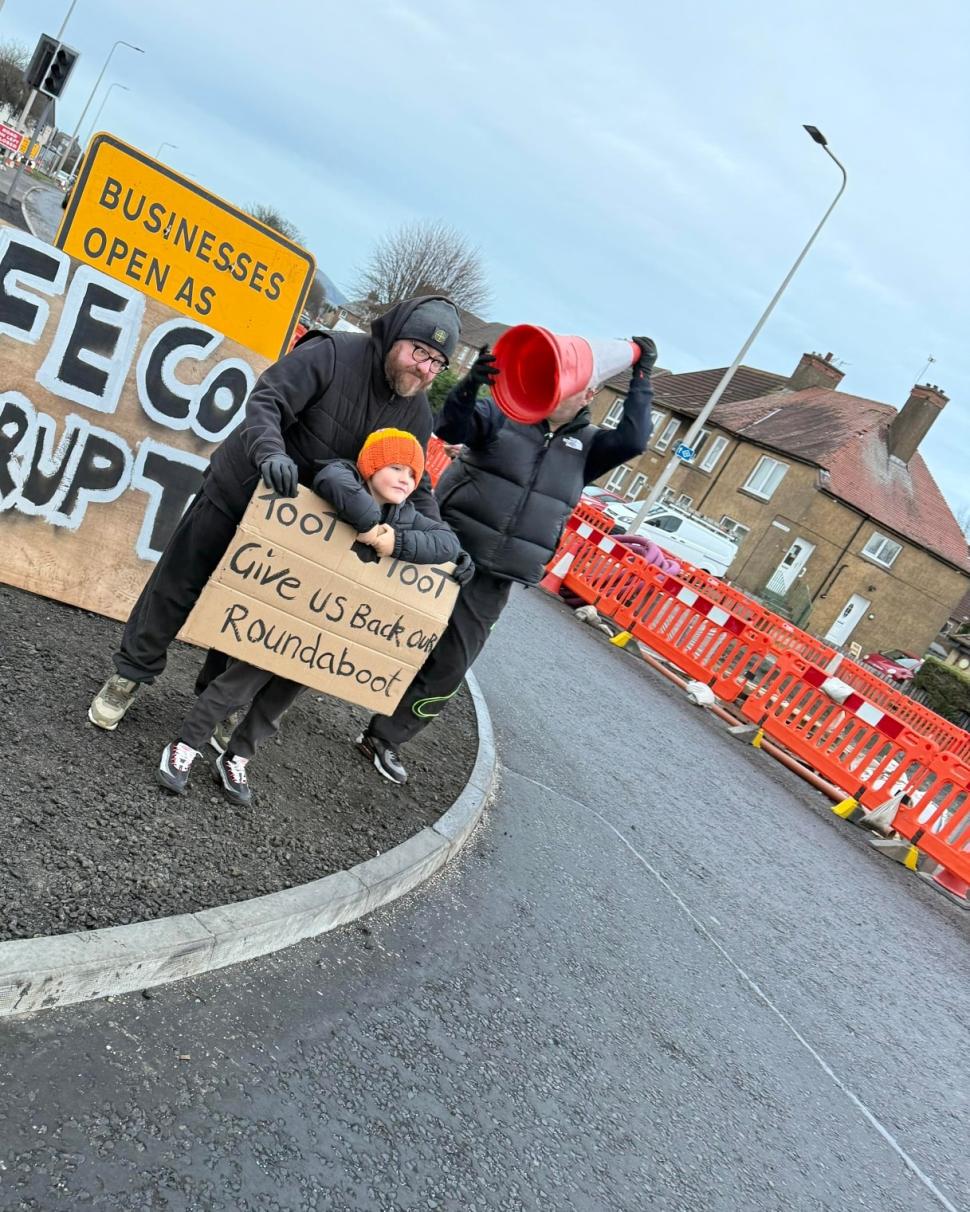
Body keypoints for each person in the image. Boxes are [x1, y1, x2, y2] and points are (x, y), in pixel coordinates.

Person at [88, 295, 461, 732]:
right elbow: (266, 401)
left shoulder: (416, 413)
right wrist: (270, 453)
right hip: (243, 488)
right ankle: (129, 675)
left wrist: (444, 547)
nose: (425, 368)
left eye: (438, 362)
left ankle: (212, 701)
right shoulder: (332, 353)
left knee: (253, 608)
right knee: (179, 584)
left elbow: (414, 485)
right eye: (419, 351)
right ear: (396, 337)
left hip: (299, 531)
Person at [356, 335, 658, 783]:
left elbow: (635, 438)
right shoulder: (504, 416)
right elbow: (452, 427)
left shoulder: (590, 448)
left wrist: (642, 377)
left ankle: (385, 738)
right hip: (442, 551)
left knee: (450, 665)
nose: (556, 386)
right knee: (369, 621)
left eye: (568, 381)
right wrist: (470, 385)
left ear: (589, 394)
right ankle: (300, 681)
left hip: (496, 577)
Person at [157, 429, 468, 805]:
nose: (406, 479)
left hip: (326, 631)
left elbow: (448, 542)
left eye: (413, 474)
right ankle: (186, 744)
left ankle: (237, 757)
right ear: (370, 466)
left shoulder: (406, 517)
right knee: (237, 685)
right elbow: (331, 478)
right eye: (396, 467)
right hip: (286, 614)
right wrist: (371, 527)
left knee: (278, 703)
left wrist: (396, 543)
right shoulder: (343, 478)